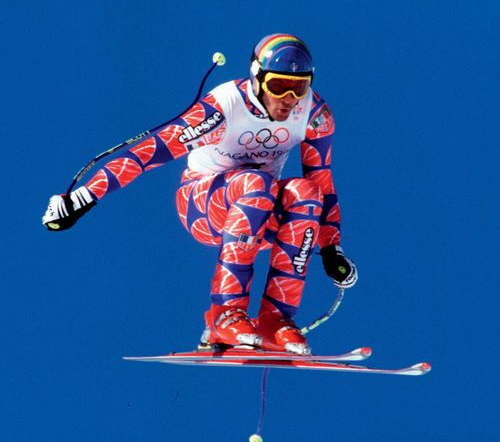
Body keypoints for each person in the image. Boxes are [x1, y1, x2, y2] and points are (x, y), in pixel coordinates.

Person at [42, 33, 358, 355]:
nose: (289, 98)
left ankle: (275, 319)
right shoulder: (223, 109)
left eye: (299, 87)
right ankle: (225, 314)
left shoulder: (314, 115)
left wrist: (331, 247)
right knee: (255, 182)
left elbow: (323, 183)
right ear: (257, 78)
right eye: (278, 85)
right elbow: (149, 152)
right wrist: (81, 198)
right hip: (202, 205)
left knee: (306, 192)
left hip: (257, 221)